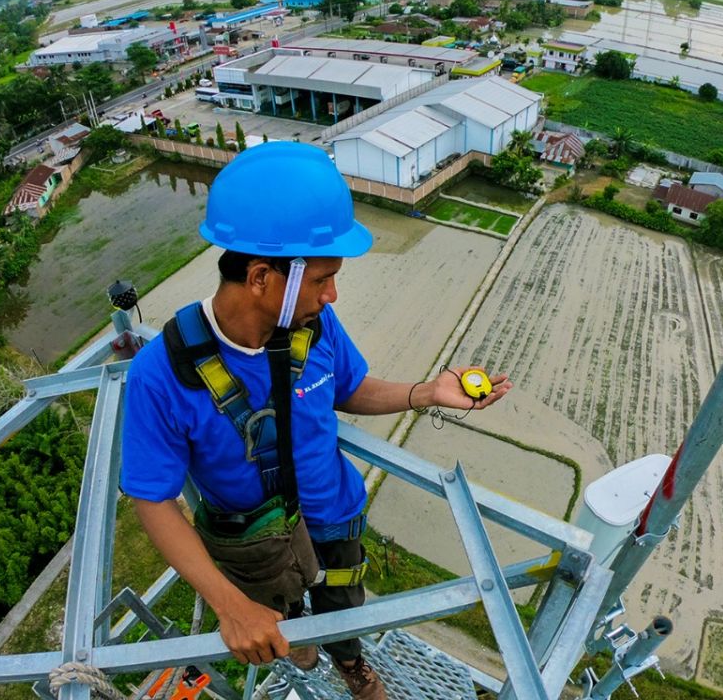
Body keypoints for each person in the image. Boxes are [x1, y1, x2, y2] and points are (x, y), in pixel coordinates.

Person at [120, 142, 510, 700]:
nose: (333, 295)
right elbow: (153, 501)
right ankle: (297, 643)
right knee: (278, 613)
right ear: (260, 278)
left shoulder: (314, 325)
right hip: (258, 541)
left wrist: (427, 392)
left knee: (343, 603)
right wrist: (231, 608)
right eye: (322, 278)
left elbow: (349, 390)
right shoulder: (162, 375)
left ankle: (350, 663)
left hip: (335, 515)